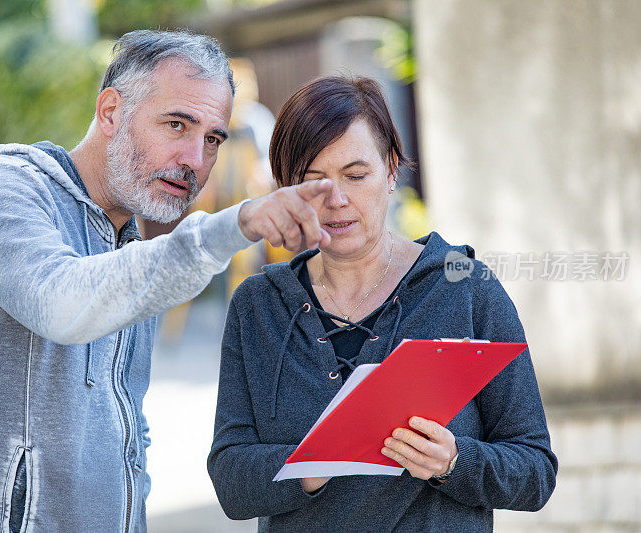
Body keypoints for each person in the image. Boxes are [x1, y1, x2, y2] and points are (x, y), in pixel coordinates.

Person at [0, 30, 334, 532]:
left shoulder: (133, 254)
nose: (195, 160)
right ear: (109, 112)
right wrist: (232, 226)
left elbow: (128, 441)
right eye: (176, 125)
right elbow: (62, 302)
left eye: (212, 138)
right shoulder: (1, 190)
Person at [207, 76, 558, 531]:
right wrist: (313, 462)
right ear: (286, 189)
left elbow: (535, 471)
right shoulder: (259, 306)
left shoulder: (465, 288)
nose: (336, 200)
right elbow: (231, 482)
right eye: (313, 181)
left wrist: (453, 461)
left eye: (356, 175)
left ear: (391, 169)